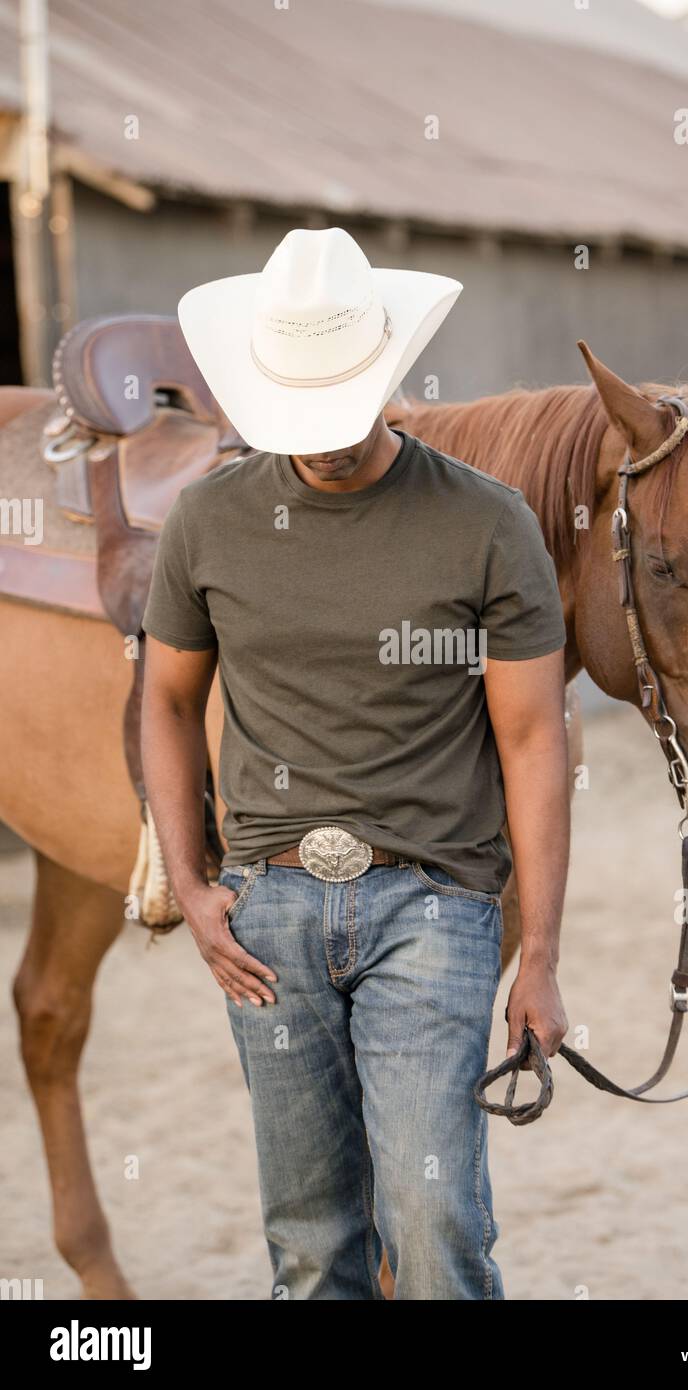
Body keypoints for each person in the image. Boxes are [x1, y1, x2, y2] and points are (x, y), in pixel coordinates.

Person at [141, 226, 570, 1300]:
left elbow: (531, 739)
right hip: (267, 917)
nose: (320, 446)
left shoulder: (485, 523)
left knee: (433, 1223)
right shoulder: (205, 521)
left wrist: (544, 955)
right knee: (310, 1242)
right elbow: (165, 697)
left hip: (434, 909)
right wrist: (192, 887)